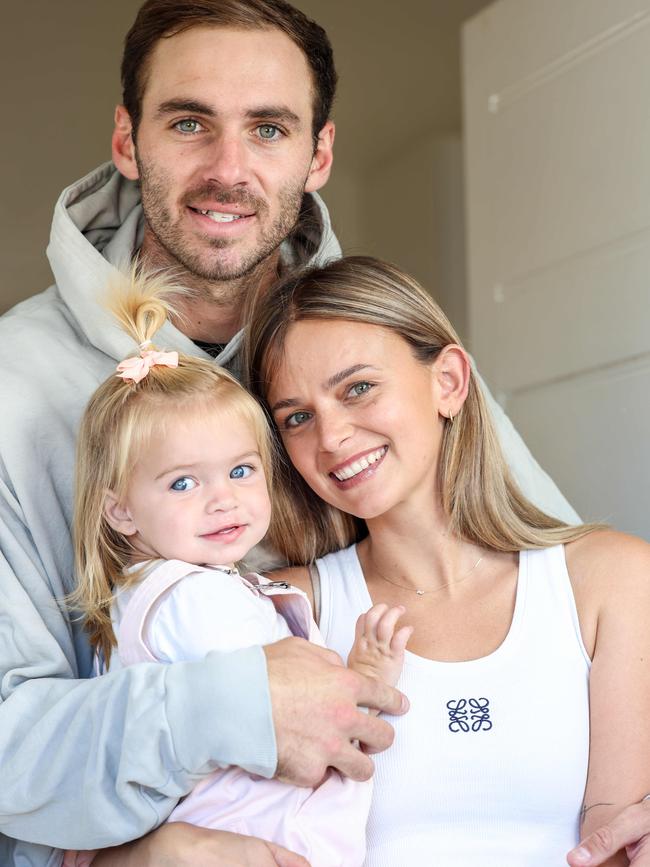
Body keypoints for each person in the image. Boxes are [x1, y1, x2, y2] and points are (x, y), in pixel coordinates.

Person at [0, 0, 576, 863]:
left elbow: (555, 585)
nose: (228, 169)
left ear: (319, 155)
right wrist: (141, 845)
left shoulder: (385, 350)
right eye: (190, 122)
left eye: (268, 129)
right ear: (127, 141)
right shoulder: (15, 388)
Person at [242, 255, 650, 866]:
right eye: (297, 418)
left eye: (358, 388)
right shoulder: (279, 611)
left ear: (449, 382)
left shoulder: (610, 580)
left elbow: (617, 842)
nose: (330, 438)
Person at [62, 272, 410, 867]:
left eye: (242, 471)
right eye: (182, 482)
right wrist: (363, 676)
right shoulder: (196, 601)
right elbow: (297, 710)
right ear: (119, 509)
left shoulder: (167, 593)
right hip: (259, 838)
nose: (222, 499)